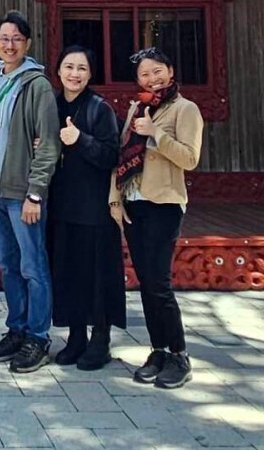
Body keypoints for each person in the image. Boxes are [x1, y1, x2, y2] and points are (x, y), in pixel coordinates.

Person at [0, 10, 59, 373]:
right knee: (8, 265)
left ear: (28, 44)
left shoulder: (36, 85)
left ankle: (38, 336)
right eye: (3, 38)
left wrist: (36, 193)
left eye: (16, 39)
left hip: (22, 194)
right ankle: (16, 330)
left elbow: (49, 145)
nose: (9, 45)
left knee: (33, 265)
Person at [117, 46, 203, 390]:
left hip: (163, 203)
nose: (151, 79)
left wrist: (155, 133)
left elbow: (189, 158)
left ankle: (179, 354)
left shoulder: (186, 109)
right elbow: (123, 150)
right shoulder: (137, 107)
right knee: (145, 281)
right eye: (144, 74)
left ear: (169, 70)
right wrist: (116, 198)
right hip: (134, 201)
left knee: (160, 283)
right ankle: (158, 349)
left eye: (157, 72)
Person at [47, 46, 125, 370]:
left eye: (82, 68)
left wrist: (80, 139)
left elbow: (111, 155)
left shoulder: (99, 108)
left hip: (94, 207)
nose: (74, 74)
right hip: (60, 204)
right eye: (69, 66)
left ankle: (101, 339)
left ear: (91, 73)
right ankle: (76, 336)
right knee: (68, 272)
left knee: (96, 274)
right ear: (59, 70)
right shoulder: (50, 104)